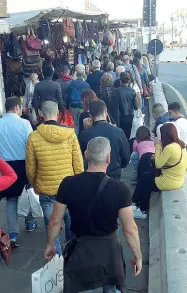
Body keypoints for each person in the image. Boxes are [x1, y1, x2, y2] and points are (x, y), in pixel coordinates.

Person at [45, 137, 142, 293]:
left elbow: (55, 220)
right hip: (109, 252)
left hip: (80, 249)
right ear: (108, 158)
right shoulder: (120, 188)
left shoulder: (68, 183)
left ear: (85, 155)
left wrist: (50, 244)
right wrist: (137, 255)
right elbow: (130, 229)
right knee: (110, 287)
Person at [26, 99, 84, 255]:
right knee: (71, 224)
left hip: (46, 189)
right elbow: (78, 165)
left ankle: (56, 259)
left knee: (51, 226)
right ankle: (72, 254)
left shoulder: (33, 137)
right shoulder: (70, 134)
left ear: (40, 114)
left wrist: (35, 185)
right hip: (70, 189)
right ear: (58, 113)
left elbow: (30, 168)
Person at [0, 97, 37, 248]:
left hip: (5, 167)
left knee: (11, 199)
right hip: (23, 165)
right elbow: (31, 144)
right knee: (26, 195)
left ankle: (13, 234)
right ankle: (29, 223)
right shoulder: (24, 123)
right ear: (16, 107)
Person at [79, 100, 130, 180]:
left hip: (92, 175)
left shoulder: (84, 135)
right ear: (106, 111)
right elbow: (126, 156)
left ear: (90, 115)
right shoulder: (118, 132)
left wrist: (86, 129)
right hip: (114, 174)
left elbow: (82, 156)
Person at [154, 123, 187, 190]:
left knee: (145, 178)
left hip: (168, 183)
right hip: (179, 181)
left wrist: (158, 146)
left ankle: (139, 199)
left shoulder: (169, 148)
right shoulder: (181, 145)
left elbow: (158, 165)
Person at [111, 72, 139, 141]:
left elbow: (114, 106)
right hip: (130, 117)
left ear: (120, 81)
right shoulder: (132, 91)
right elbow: (136, 106)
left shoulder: (117, 91)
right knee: (129, 135)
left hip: (120, 117)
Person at [66, 64, 90, 134]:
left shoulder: (71, 83)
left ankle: (75, 137)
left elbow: (67, 96)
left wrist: (67, 107)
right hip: (83, 106)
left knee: (75, 123)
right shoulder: (86, 85)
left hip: (73, 106)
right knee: (82, 123)